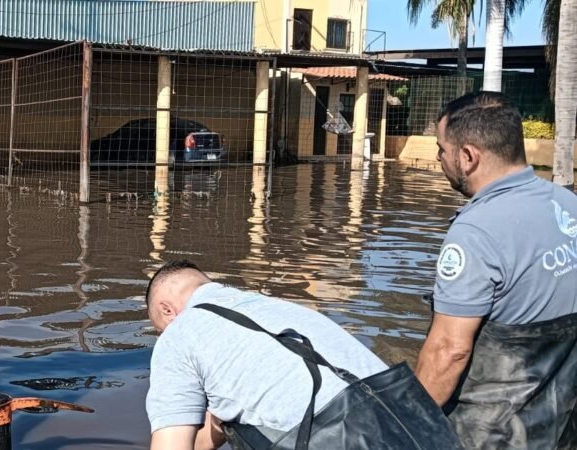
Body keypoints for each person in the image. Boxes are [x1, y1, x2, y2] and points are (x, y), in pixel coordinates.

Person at [415, 91, 577, 449]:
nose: (439, 158)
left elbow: (449, 351)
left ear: (468, 156)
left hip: (490, 436)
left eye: (442, 148)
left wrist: (404, 423)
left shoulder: (477, 232)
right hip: (561, 426)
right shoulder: (569, 205)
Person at [144, 260, 389, 450]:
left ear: (167, 309)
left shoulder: (179, 332)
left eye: (160, 329)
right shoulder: (280, 308)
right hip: (406, 418)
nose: (164, 336)